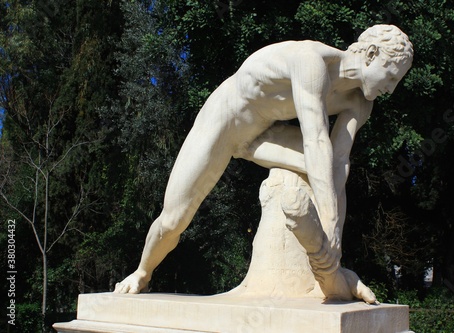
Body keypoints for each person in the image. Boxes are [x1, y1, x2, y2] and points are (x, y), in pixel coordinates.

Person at [114, 24, 413, 302]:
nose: (391, 89)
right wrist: (331, 224)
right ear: (371, 55)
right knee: (173, 220)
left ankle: (325, 271)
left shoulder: (360, 103)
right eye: (390, 76)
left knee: (323, 171)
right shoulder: (311, 61)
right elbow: (315, 140)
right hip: (225, 122)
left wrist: (334, 239)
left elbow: (337, 163)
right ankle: (142, 271)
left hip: (264, 136)